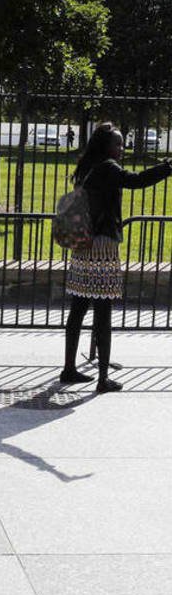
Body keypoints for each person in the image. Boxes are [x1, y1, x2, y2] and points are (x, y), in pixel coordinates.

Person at [61, 122, 172, 393]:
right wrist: (167, 167)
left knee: (78, 308)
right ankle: (102, 379)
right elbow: (136, 181)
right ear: (106, 146)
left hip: (82, 244)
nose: (121, 149)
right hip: (103, 246)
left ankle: (69, 369)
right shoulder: (108, 168)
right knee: (103, 311)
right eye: (118, 144)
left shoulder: (87, 166)